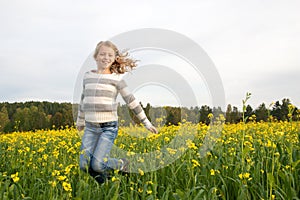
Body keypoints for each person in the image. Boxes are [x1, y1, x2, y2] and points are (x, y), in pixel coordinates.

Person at [77, 41, 157, 183]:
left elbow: (131, 101)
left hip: (108, 127)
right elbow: (84, 99)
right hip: (90, 127)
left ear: (114, 58)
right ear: (95, 57)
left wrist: (145, 122)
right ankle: (106, 184)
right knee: (84, 165)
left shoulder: (117, 79)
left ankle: (121, 164)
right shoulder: (87, 76)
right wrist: (80, 120)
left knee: (97, 164)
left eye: (110, 55)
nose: (105, 57)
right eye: (102, 54)